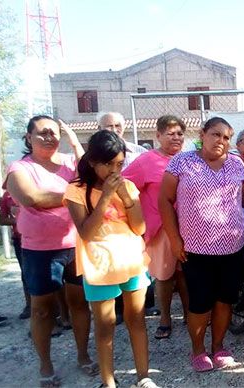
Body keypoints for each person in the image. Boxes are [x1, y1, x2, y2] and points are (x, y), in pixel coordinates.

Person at [159, 117, 244, 372]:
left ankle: (219, 346)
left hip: (232, 247)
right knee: (200, 303)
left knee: (225, 300)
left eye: (226, 137)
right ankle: (198, 350)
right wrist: (174, 238)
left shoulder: (235, 164)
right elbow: (165, 200)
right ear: (203, 134)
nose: (220, 141)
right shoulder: (182, 162)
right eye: (215, 134)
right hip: (195, 249)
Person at [5, 115, 96, 387]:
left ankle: (83, 355)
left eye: (55, 133)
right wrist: (75, 195)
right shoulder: (19, 168)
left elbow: (90, 174)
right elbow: (31, 198)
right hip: (40, 250)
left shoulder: (70, 162)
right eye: (43, 133)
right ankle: (45, 363)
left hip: (75, 245)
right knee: (43, 310)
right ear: (28, 137)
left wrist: (73, 140)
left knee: (80, 304)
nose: (50, 138)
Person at [64, 130, 158, 388]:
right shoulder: (76, 190)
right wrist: (105, 196)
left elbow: (139, 228)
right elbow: (86, 232)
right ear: (93, 161)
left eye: (119, 164)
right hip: (100, 265)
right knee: (105, 324)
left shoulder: (127, 186)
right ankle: (108, 381)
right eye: (109, 164)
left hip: (132, 261)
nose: (115, 170)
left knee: (136, 318)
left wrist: (127, 199)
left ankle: (143, 377)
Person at [123, 115, 190, 340]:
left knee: (185, 272)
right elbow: (124, 185)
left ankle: (190, 314)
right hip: (161, 227)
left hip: (190, 225)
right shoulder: (146, 161)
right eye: (170, 134)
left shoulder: (189, 159)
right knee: (165, 275)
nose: (176, 138)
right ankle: (165, 318)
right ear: (158, 136)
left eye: (180, 133)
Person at [97, 111, 158, 321]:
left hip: (133, 210)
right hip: (106, 219)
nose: (114, 130)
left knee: (140, 261)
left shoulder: (140, 152)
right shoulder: (94, 159)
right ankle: (118, 308)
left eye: (117, 126)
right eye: (108, 126)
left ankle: (145, 304)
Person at [0, 191, 30, 319]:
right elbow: (2, 220)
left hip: (43, 237)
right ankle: (30, 305)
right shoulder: (7, 196)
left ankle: (60, 309)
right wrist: (20, 221)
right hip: (20, 240)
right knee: (26, 273)